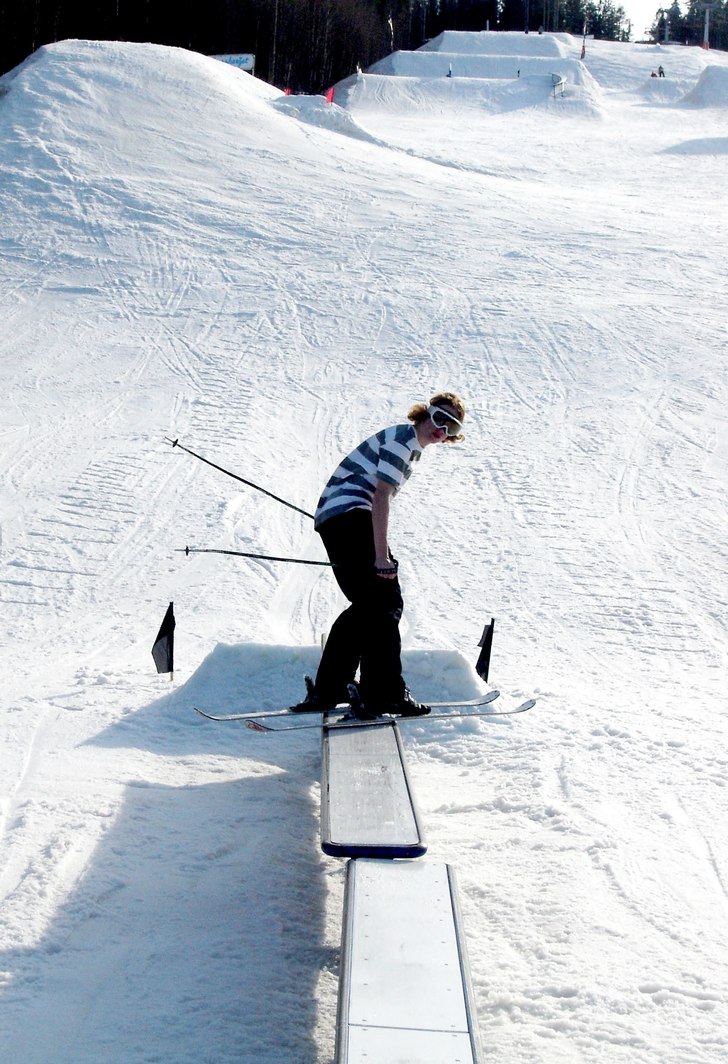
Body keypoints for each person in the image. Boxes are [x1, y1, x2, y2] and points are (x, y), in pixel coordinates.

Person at [292, 392, 466, 719]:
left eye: (451, 428)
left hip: (341, 516)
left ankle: (331, 689)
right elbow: (381, 495)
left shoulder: (406, 443)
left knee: (370, 606)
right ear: (425, 413)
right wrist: (381, 556)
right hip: (349, 516)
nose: (442, 430)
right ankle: (385, 694)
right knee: (386, 604)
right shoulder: (404, 441)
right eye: (440, 419)